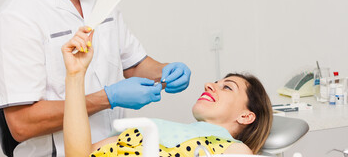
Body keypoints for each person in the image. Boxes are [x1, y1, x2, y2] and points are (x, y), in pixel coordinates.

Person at [0, 0, 191, 156]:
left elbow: (133, 64)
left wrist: (167, 72)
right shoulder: (18, 17)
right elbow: (22, 124)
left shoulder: (101, 0)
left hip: (112, 149)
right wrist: (108, 98)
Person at [62, 29, 273, 157]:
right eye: (216, 82)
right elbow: (80, 154)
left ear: (246, 116)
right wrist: (75, 74)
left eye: (227, 87)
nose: (209, 85)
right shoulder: (147, 130)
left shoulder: (231, 150)